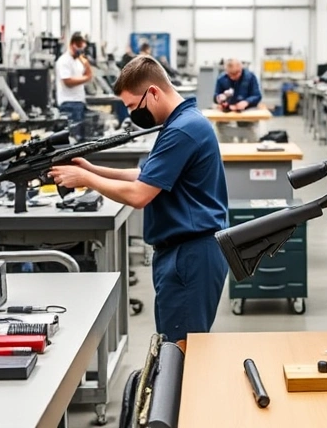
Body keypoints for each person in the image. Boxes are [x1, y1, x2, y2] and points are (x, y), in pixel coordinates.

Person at [48, 55, 229, 350]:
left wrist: (86, 180)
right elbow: (144, 175)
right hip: (185, 251)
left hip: (190, 254)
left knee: (180, 355)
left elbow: (140, 195)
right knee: (176, 347)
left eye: (133, 106)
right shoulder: (181, 123)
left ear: (154, 93)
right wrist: (92, 168)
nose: (132, 113)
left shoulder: (183, 129)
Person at [55, 32, 92, 140]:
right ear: (72, 45)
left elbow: (89, 75)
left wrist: (86, 63)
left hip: (79, 102)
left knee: (82, 140)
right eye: (79, 48)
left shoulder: (78, 61)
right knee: (73, 139)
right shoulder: (64, 61)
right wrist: (85, 78)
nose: (81, 51)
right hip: (69, 104)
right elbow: (67, 82)